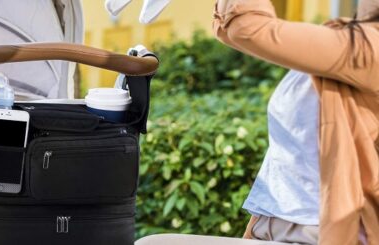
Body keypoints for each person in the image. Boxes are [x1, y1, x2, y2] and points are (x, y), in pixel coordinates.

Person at [136, 0, 379, 244]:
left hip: (317, 234)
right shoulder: (348, 41)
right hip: (271, 227)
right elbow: (232, 29)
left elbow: (249, 28)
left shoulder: (369, 50)